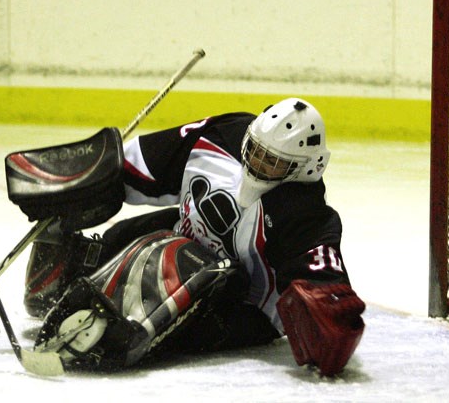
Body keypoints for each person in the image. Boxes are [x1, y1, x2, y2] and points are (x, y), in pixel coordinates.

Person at [22, 98, 366, 376]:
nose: (257, 164)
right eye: (256, 150)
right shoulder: (221, 135)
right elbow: (142, 166)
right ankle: (70, 276)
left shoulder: (305, 214)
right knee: (140, 238)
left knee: (185, 259)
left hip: (243, 309)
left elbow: (325, 285)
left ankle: (120, 333)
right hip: (179, 243)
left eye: (273, 161)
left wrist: (329, 318)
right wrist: (89, 180)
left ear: (306, 167)